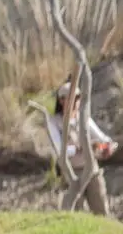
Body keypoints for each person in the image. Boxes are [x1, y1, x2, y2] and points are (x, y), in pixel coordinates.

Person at [45, 80, 118, 214]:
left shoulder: (84, 118)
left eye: (78, 98)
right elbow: (60, 151)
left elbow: (104, 138)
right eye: (72, 98)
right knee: (75, 213)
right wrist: (82, 148)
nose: (75, 101)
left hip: (92, 171)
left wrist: (110, 146)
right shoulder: (54, 122)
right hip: (71, 173)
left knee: (102, 211)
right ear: (61, 101)